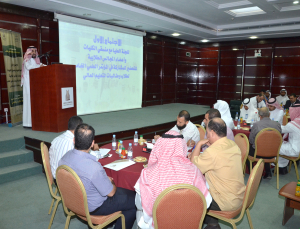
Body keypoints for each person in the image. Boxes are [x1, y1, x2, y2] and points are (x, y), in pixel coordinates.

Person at [58, 124, 136, 229]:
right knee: (135, 200)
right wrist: (111, 182)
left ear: (74, 140)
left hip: (73, 202)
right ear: (92, 143)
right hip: (94, 207)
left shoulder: (64, 157)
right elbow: (111, 193)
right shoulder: (94, 167)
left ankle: (111, 222)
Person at [135, 130, 212, 229]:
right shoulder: (194, 170)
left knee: (140, 211)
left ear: (159, 147)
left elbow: (139, 204)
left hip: (159, 224)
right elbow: (206, 201)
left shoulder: (147, 173)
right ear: (183, 147)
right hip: (188, 222)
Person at [190, 118, 245, 229]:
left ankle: (203, 223)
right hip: (238, 195)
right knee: (207, 186)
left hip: (225, 201)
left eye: (207, 132)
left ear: (212, 133)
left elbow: (193, 167)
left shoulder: (212, 152)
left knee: (191, 196)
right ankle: (212, 224)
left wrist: (199, 144)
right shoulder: (232, 144)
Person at [248, 107, 281, 179]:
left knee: (247, 151)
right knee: (267, 148)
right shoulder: (277, 124)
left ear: (259, 116)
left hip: (258, 154)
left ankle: (255, 175)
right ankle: (268, 173)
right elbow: (278, 139)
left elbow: (251, 140)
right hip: (273, 153)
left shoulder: (256, 125)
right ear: (269, 114)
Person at [49, 116, 83, 181]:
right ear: (78, 127)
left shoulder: (56, 139)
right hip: (66, 181)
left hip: (55, 176)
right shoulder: (74, 143)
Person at [21, 46, 43, 128]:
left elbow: (40, 65)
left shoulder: (35, 60)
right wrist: (39, 67)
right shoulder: (26, 60)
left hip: (34, 84)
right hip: (28, 84)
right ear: (28, 52)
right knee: (28, 103)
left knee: (33, 102)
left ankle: (34, 122)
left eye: (35, 51)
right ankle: (27, 123)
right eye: (32, 51)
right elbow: (29, 67)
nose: (34, 53)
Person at [278, 104, 300, 174]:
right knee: (282, 144)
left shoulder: (292, 124)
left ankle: (276, 167)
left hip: (294, 151)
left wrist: (273, 124)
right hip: (298, 149)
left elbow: (281, 130)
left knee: (274, 146)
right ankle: (282, 168)